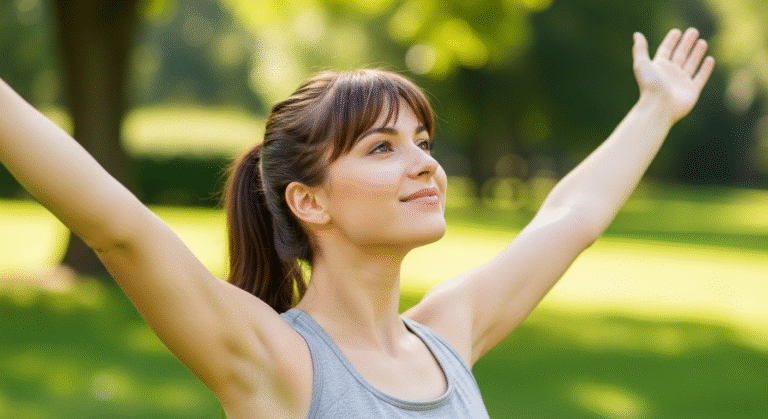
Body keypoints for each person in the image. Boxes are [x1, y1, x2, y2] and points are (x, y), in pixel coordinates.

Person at [0, 27, 714, 418]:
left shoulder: (449, 336)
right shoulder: (273, 358)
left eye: (423, 143)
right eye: (382, 147)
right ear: (310, 201)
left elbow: (569, 217)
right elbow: (118, 226)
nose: (423, 165)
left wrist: (655, 107)